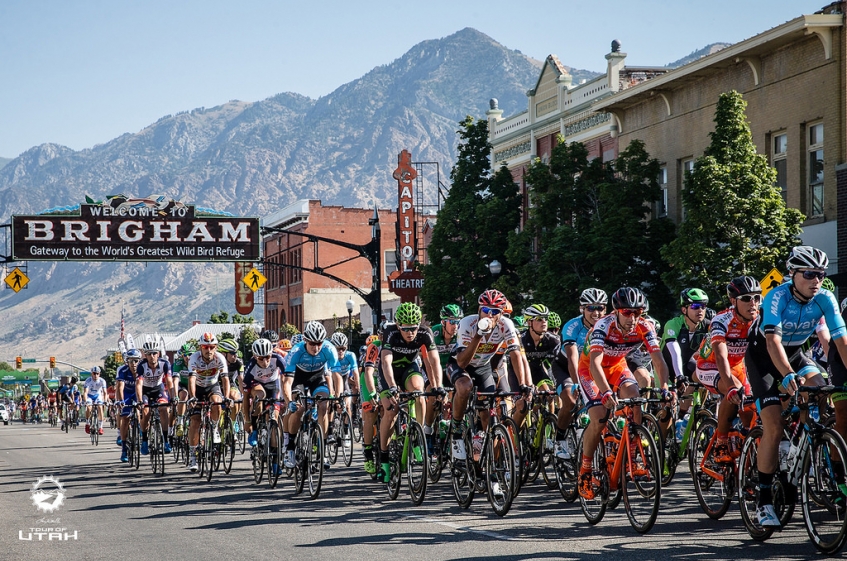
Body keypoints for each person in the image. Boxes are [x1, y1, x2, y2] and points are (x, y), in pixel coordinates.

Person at [745, 246, 847, 527]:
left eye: (821, 274)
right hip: (763, 357)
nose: (817, 280)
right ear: (793, 274)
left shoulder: (825, 297)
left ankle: (803, 445)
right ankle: (764, 499)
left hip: (795, 353)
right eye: (810, 274)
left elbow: (840, 340)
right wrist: (788, 375)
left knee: (820, 389)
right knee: (774, 426)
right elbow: (772, 342)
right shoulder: (776, 297)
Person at [577, 287, 672, 500]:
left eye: (637, 313)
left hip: (618, 367)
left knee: (635, 398)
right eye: (627, 312)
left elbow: (658, 360)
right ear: (617, 311)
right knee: (600, 417)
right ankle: (584, 469)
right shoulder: (603, 326)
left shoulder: (645, 326)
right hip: (591, 371)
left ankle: (633, 452)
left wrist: (665, 386)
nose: (633, 318)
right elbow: (594, 364)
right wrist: (604, 392)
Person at [449, 289, 525, 465]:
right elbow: (461, 362)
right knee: (464, 386)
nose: (489, 315)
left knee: (488, 416)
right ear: (479, 309)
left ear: (501, 314)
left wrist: (522, 385)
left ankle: (492, 466)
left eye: (495, 312)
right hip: (461, 364)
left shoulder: (506, 324)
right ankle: (457, 430)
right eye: (486, 310)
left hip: (484, 367)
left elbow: (515, 354)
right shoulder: (467, 323)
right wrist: (478, 335)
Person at [694, 276, 761, 463]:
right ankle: (721, 441)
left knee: (750, 414)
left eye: (757, 298)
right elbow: (721, 356)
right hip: (710, 365)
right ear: (733, 301)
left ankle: (747, 469)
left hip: (738, 367)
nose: (753, 303)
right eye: (747, 298)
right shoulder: (721, 320)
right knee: (735, 390)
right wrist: (730, 386)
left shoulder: (760, 320)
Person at [377, 302, 443, 483]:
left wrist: (438, 386)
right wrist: (391, 386)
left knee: (419, 392)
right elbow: (386, 362)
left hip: (409, 368)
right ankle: (383, 459)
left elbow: (434, 361)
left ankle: (417, 436)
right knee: (391, 410)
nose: (410, 333)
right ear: (398, 325)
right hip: (389, 372)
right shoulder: (390, 332)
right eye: (405, 329)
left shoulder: (425, 333)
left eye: (413, 328)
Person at [560, 289, 609, 459]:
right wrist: (577, 384)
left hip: (592, 368)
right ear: (582, 309)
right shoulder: (572, 326)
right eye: (591, 308)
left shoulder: (608, 324)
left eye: (600, 308)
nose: (596, 313)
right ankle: (560, 439)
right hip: (566, 367)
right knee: (570, 398)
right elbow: (573, 359)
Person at [282, 321, 337, 470]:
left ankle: (322, 451)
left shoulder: (329, 350)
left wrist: (334, 395)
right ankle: (290, 448)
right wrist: (288, 402)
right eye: (312, 343)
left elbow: (335, 375)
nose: (316, 347)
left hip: (317, 378)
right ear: (305, 340)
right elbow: (287, 382)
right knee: (299, 408)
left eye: (319, 343)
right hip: (298, 378)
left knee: (324, 405)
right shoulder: (296, 352)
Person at [242, 338, 286, 475]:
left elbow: (286, 379)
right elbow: (245, 396)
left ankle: (275, 461)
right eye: (261, 359)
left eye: (268, 357)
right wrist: (248, 421)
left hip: (273, 386)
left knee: (274, 418)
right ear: (255, 356)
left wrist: (286, 398)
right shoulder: (250, 367)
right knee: (260, 396)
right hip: (257, 385)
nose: (265, 362)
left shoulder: (278, 359)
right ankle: (256, 429)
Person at [187, 333, 230, 472]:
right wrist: (193, 397)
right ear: (200, 347)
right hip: (198, 389)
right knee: (195, 420)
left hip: (212, 386)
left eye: (212, 347)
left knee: (217, 402)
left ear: (216, 347)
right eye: (205, 346)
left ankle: (215, 428)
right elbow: (192, 379)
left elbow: (225, 379)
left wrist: (227, 397)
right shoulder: (194, 358)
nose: (209, 350)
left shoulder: (220, 358)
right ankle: (193, 455)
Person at [135, 341, 173, 455]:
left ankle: (166, 440)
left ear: (158, 353)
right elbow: (139, 384)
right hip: (145, 391)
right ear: (145, 355)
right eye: (149, 354)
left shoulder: (165, 364)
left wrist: (173, 397)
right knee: (146, 412)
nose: (152, 356)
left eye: (154, 353)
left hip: (158, 390)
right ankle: (145, 440)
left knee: (163, 409)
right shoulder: (141, 366)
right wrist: (140, 401)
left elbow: (169, 382)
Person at [116, 349, 142, 462]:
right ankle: (124, 449)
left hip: (138, 393)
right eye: (131, 361)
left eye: (136, 361)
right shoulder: (123, 370)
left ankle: (141, 430)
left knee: (142, 411)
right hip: (126, 394)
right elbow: (120, 387)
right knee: (125, 418)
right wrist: (121, 401)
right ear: (127, 361)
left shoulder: (142, 369)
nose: (133, 364)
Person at [83, 367, 108, 435]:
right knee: (88, 407)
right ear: (92, 374)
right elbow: (85, 392)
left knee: (100, 407)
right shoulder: (88, 380)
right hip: (89, 395)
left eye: (97, 373)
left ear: (99, 374)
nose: (96, 375)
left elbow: (105, 392)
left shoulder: (102, 381)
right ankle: (87, 423)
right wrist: (86, 402)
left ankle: (100, 427)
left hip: (98, 395)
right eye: (94, 373)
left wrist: (105, 401)